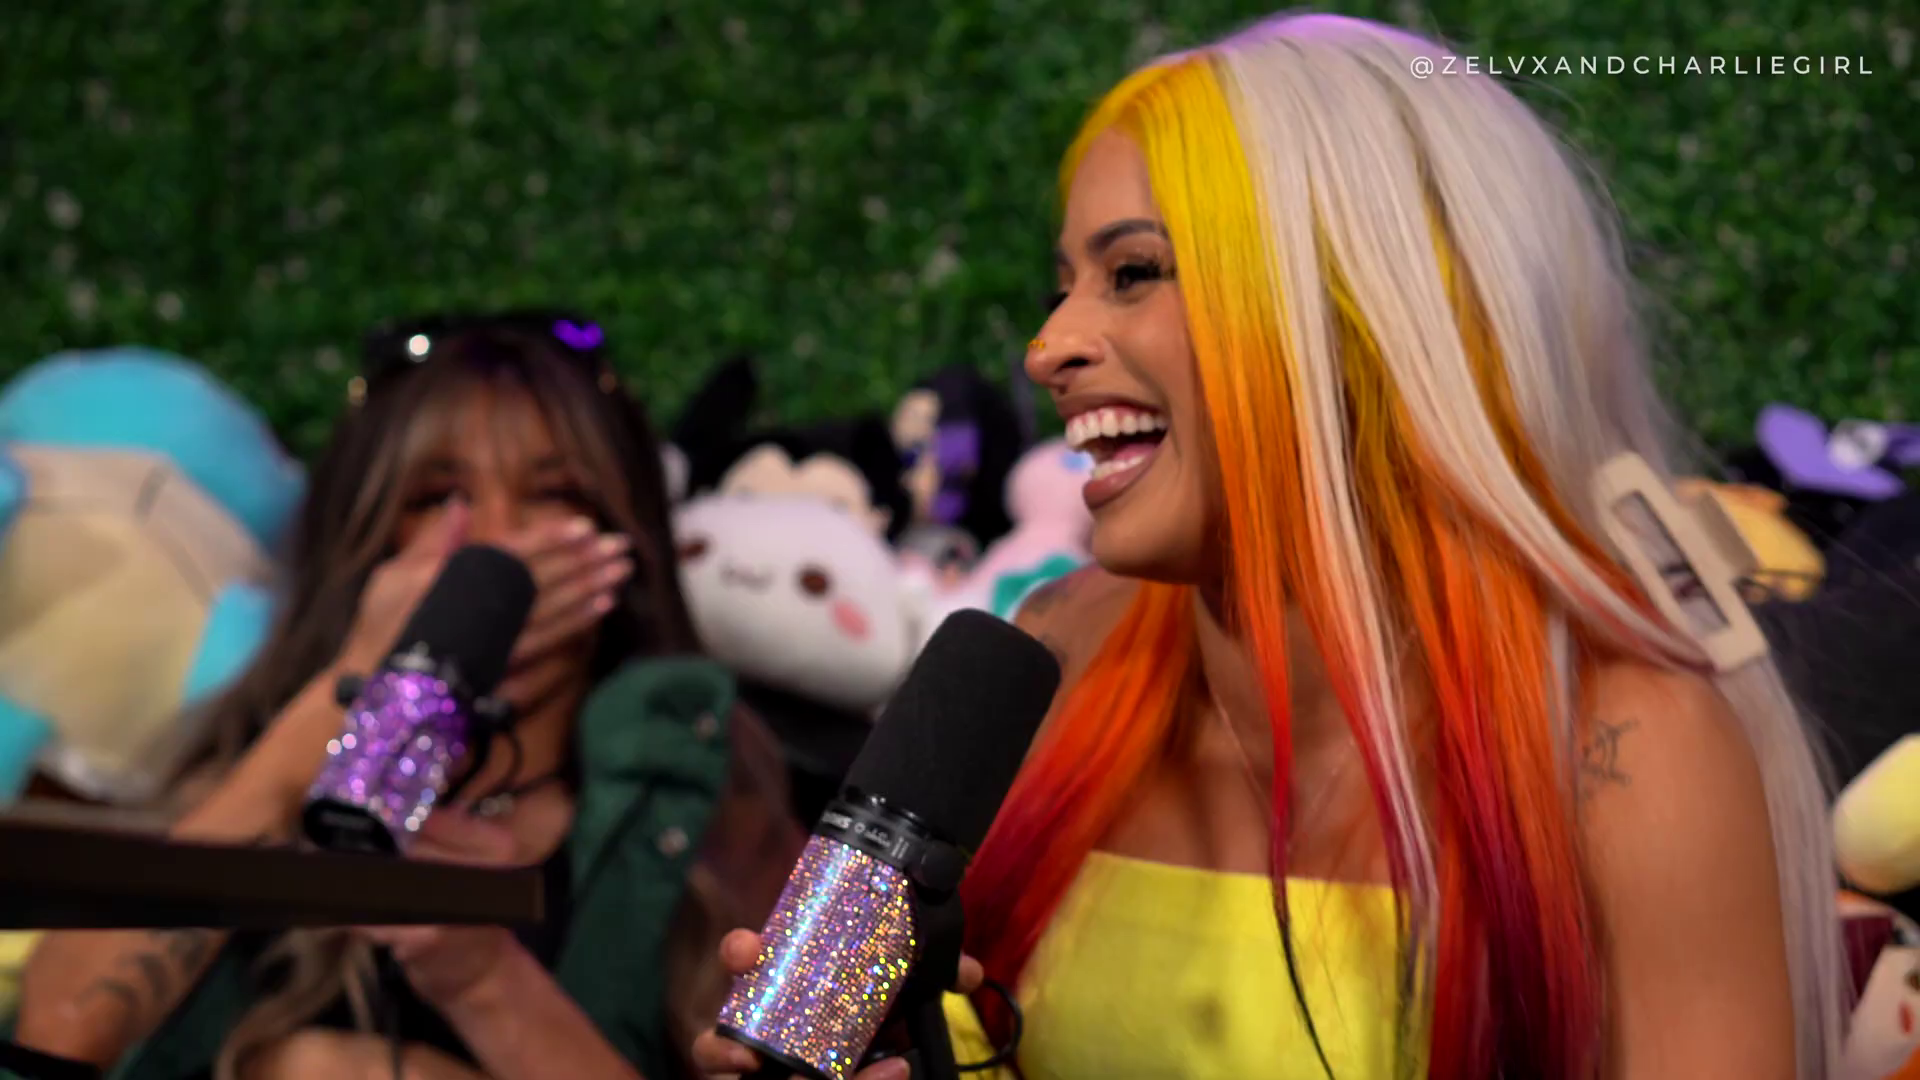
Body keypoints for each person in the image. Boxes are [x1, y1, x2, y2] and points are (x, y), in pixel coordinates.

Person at [694, 13, 1846, 1080]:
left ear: (1362, 310)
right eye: (1066, 285)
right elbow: (854, 1023)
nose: (1048, 347)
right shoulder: (1044, 659)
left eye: (1133, 273)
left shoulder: (1629, 748)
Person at [9, 315, 804, 1080]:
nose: (495, 537)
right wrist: (351, 694)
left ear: (618, 539)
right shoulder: (251, 752)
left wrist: (480, 982)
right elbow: (56, 1038)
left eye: (553, 493)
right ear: (373, 539)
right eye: (438, 496)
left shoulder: (704, 785)